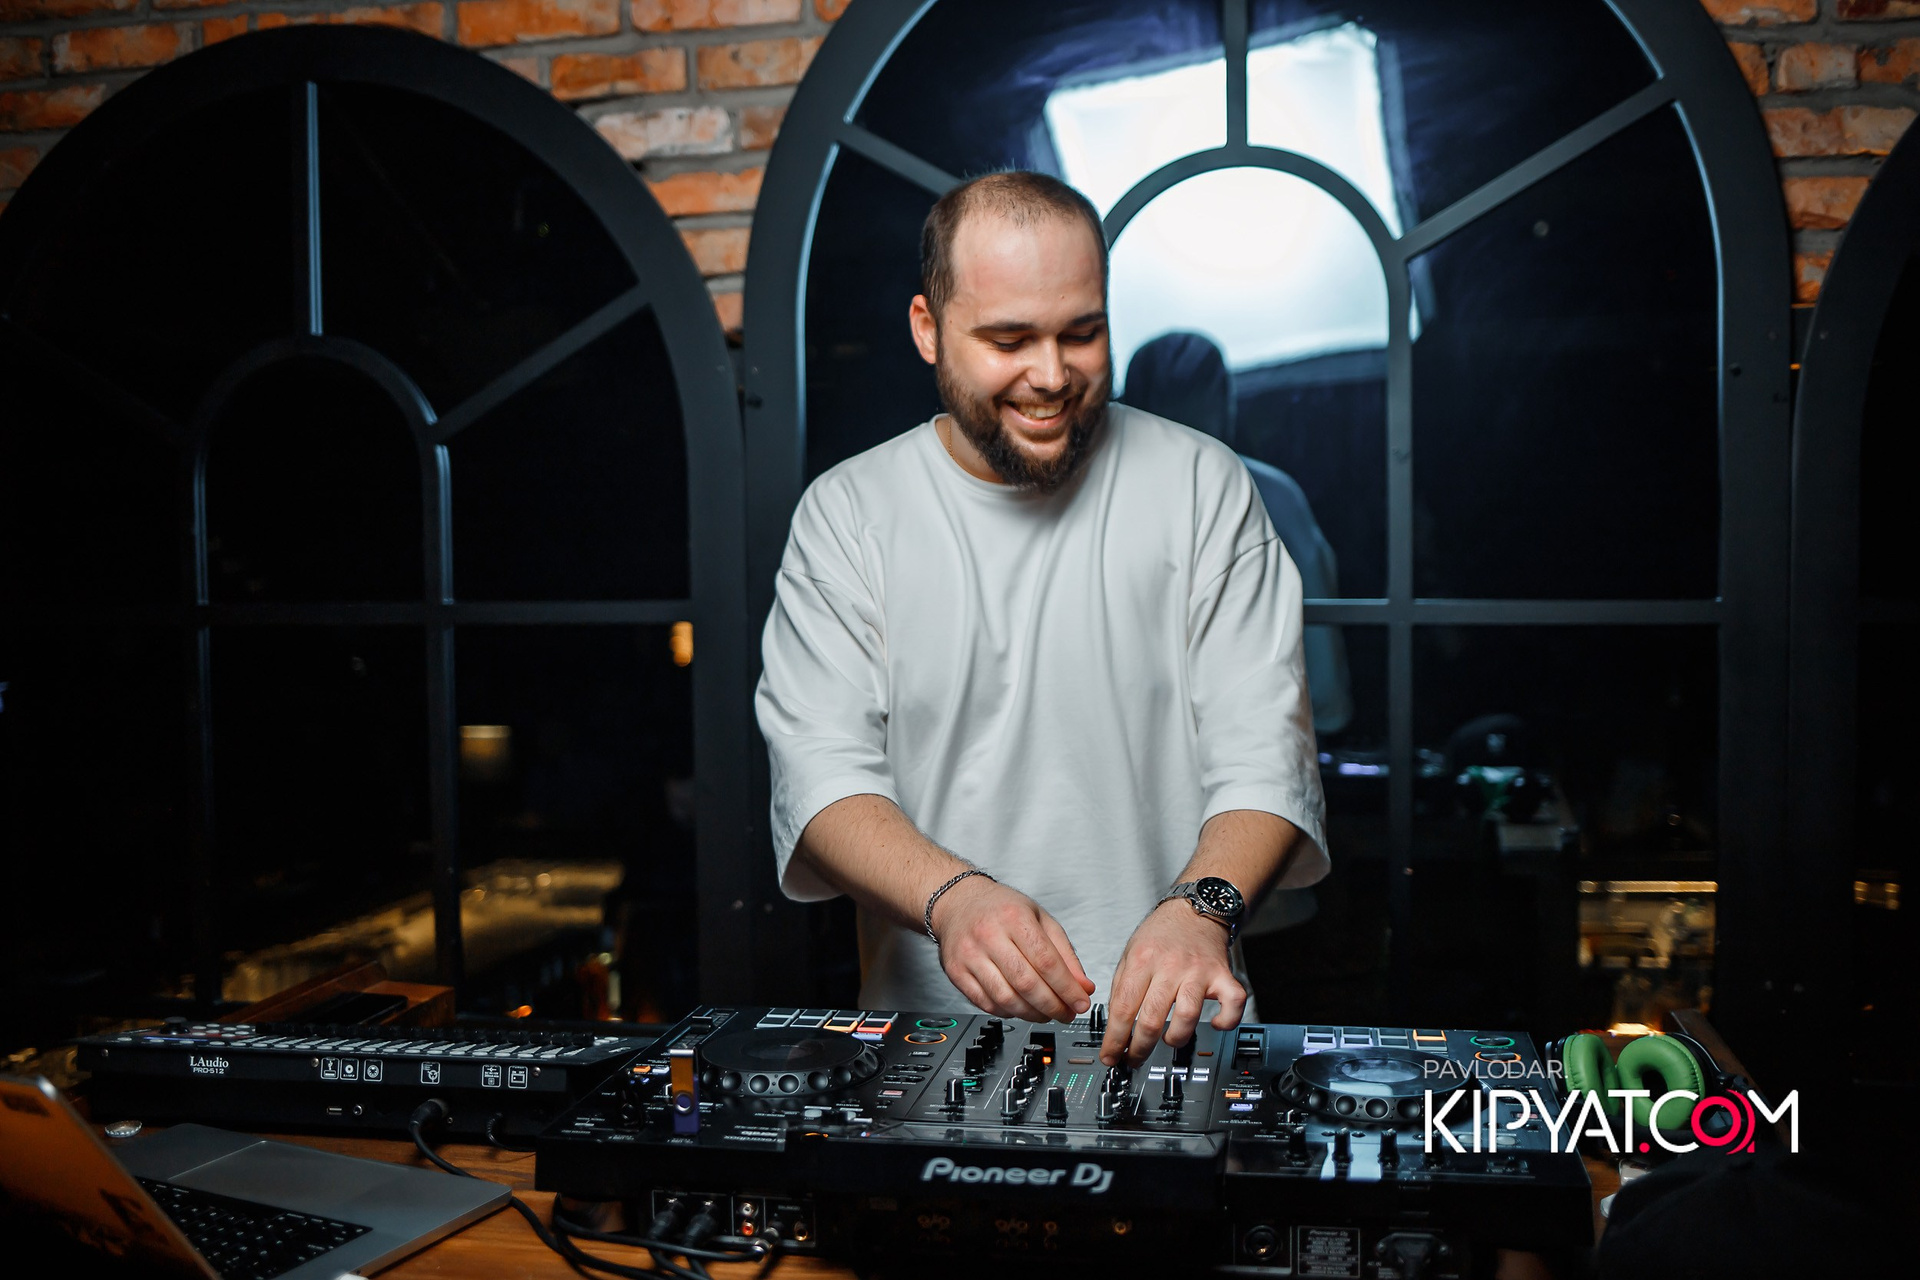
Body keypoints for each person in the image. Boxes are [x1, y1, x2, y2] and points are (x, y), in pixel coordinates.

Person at [755, 171, 1328, 1068]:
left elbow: (1267, 752)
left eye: (1081, 333)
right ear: (927, 329)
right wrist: (954, 898)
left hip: (1184, 1040)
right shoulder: (847, 514)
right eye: (1009, 339)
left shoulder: (1202, 485)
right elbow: (820, 776)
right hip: (932, 1048)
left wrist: (1202, 909)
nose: (1053, 375)